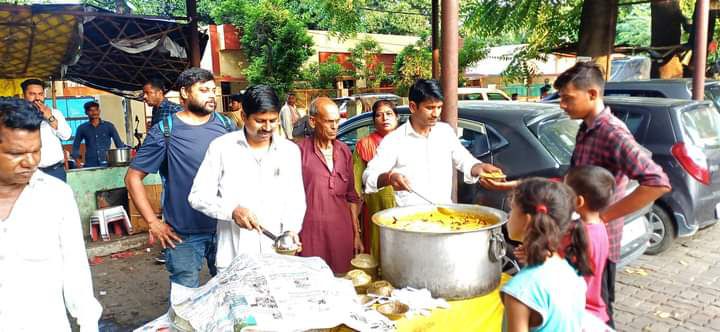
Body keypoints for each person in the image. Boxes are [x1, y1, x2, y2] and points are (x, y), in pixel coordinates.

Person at [554, 61, 671, 327]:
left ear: (592, 94)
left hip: (600, 242)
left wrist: (604, 217)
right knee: (579, 307)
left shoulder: (612, 132)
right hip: (581, 235)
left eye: (567, 98)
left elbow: (657, 182)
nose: (562, 104)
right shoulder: (586, 127)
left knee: (599, 314)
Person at [126, 68, 236, 288]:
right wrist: (153, 222)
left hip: (226, 227)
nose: (211, 95)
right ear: (184, 92)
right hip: (183, 234)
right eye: (203, 90)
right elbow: (133, 178)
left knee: (232, 292)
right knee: (185, 299)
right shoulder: (165, 131)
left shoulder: (226, 126)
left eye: (213, 90)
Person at [0, 98, 102, 331]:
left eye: (36, 151)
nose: (30, 162)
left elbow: (75, 269)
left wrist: (88, 324)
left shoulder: (56, 195)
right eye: (16, 153)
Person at [189, 85, 306, 273]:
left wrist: (292, 231)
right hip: (235, 256)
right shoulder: (222, 148)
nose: (267, 128)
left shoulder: (289, 151)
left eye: (273, 121)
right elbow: (197, 196)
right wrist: (232, 211)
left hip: (277, 256)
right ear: (244, 117)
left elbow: (296, 199)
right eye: (260, 121)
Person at [362, 79, 506, 207]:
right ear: (413, 107)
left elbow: (464, 160)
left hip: (445, 215)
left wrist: (479, 167)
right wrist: (388, 178)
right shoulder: (394, 141)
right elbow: (368, 177)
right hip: (411, 223)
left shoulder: (445, 132)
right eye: (430, 108)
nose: (436, 114)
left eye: (439, 107)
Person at [501, 178, 592, 331]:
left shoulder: (519, 290)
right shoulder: (571, 273)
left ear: (527, 220)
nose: (508, 216)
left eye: (512, 210)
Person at [298, 97, 363, 274]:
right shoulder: (299, 152)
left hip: (341, 234)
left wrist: (356, 234)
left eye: (337, 121)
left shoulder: (344, 151)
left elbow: (351, 197)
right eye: (329, 122)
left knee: (342, 282)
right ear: (313, 121)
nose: (335, 127)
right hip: (310, 235)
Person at [565, 165, 614, 324]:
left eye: (565, 193)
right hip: (594, 312)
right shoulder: (601, 228)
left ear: (579, 201)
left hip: (576, 313)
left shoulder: (574, 235)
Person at [352, 100, 399, 259]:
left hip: (404, 207)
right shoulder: (364, 145)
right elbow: (357, 187)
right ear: (373, 120)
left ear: (396, 117)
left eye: (389, 114)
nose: (384, 118)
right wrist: (354, 226)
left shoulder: (407, 142)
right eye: (379, 115)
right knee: (376, 253)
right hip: (375, 211)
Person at [21, 78, 71, 182]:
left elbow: (66, 136)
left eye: (40, 94)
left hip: (56, 171)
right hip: (31, 174)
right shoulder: (18, 117)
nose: (37, 98)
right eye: (32, 94)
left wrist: (50, 117)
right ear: (23, 95)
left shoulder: (55, 113)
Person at [71, 101, 127, 168]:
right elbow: (75, 146)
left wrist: (124, 161)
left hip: (107, 163)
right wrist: (77, 161)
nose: (94, 113)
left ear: (99, 111)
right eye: (91, 110)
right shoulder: (82, 128)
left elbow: (119, 144)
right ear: (86, 112)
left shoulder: (109, 126)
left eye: (96, 110)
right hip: (90, 164)